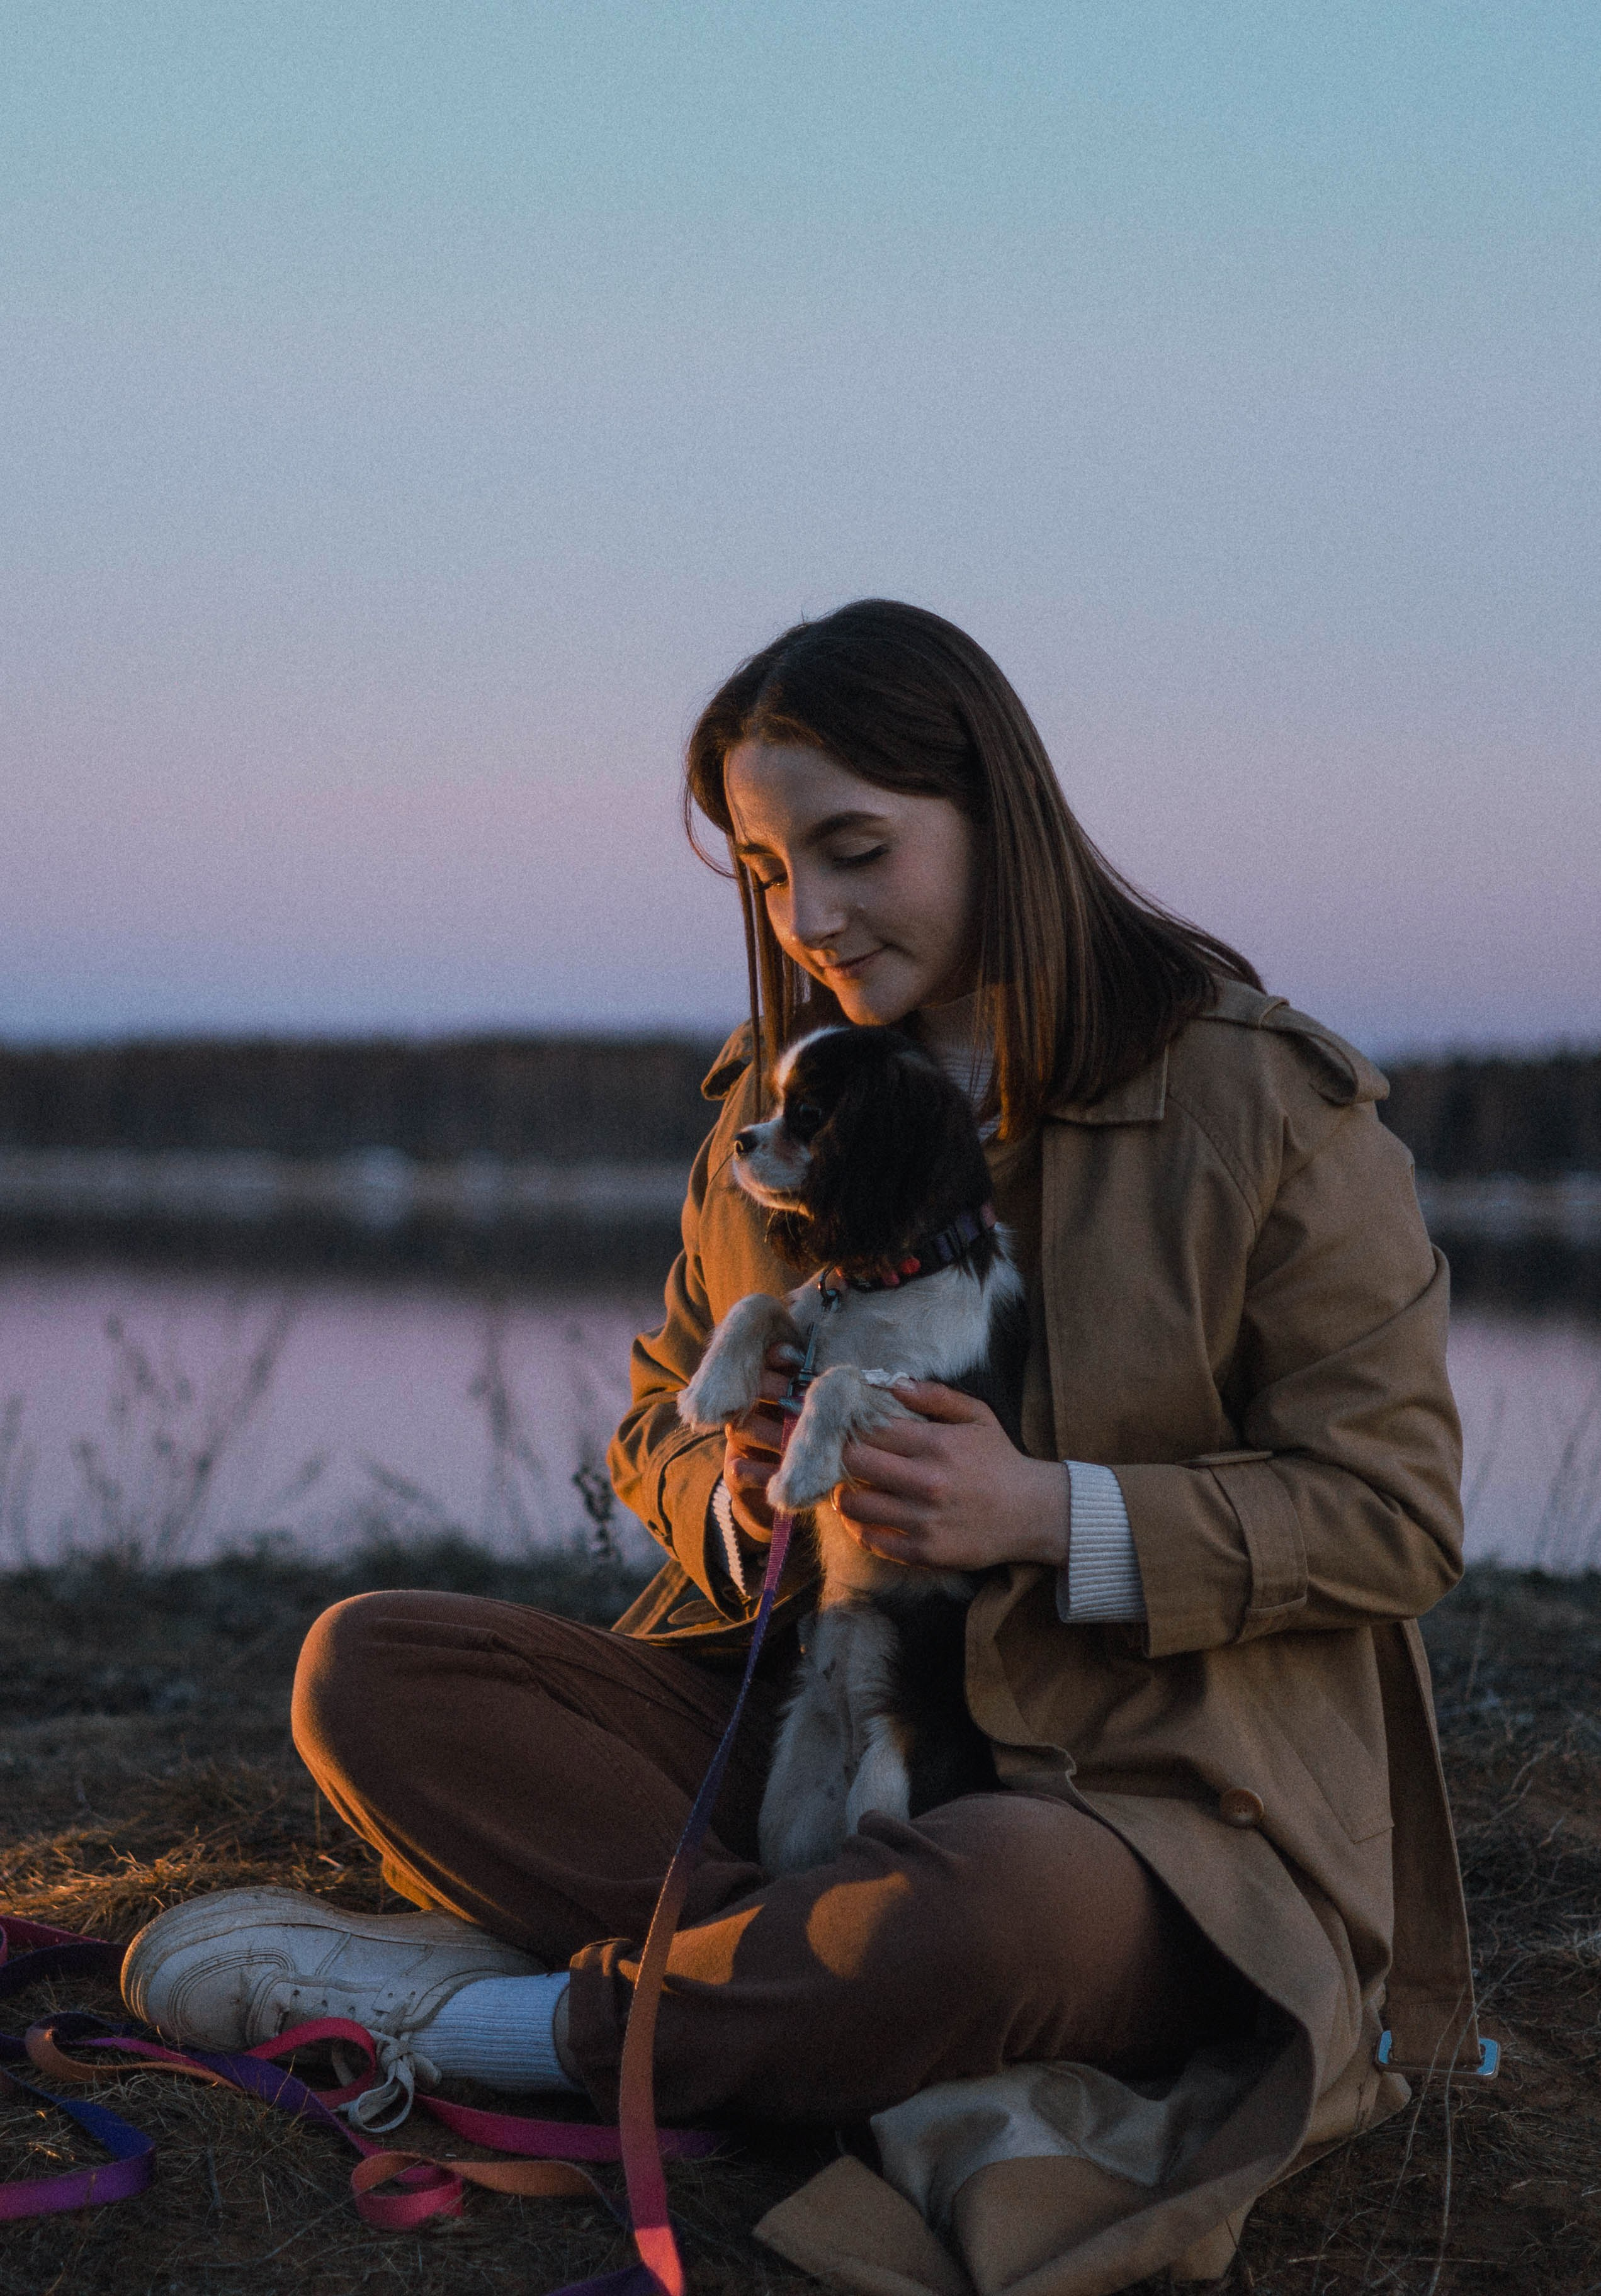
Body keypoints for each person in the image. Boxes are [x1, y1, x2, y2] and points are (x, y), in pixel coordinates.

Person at [123, 600, 1479, 2292]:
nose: (809, 917)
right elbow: (651, 1420)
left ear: (1001, 813)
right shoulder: (779, 1114)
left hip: (1138, 1801)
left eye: (853, 851)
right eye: (767, 872)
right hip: (803, 1726)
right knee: (366, 1672)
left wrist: (1046, 1513)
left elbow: (1395, 1515)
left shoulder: (1263, 1106)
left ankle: (503, 2023)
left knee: (995, 1908)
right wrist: (733, 1494)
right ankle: (813, 1982)